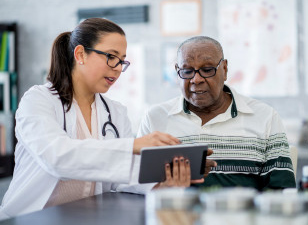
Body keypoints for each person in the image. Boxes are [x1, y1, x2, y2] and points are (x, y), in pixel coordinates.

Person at [0, 18, 194, 220]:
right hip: (30, 218)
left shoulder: (115, 112)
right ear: (80, 54)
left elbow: (121, 177)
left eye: (122, 61)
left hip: (87, 217)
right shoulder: (38, 100)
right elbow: (57, 157)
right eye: (111, 57)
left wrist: (160, 182)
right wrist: (132, 146)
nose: (118, 68)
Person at [138, 36, 296, 190]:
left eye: (207, 70)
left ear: (225, 69)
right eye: (187, 71)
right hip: (176, 215)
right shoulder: (155, 118)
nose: (196, 79)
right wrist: (165, 185)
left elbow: (281, 191)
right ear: (177, 72)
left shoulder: (265, 117)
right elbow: (135, 186)